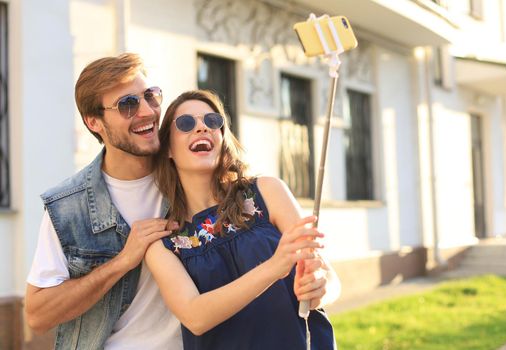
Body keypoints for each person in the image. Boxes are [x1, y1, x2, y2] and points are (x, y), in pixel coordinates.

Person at [146, 89, 340, 349]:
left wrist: (320, 288)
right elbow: (195, 317)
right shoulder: (164, 244)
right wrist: (274, 267)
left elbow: (329, 277)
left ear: (222, 136)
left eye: (212, 121)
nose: (202, 127)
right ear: (168, 148)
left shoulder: (268, 191)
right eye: (186, 123)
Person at [24, 53, 182, 349]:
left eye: (150, 96)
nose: (148, 112)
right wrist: (122, 262)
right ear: (94, 121)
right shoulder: (69, 207)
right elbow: (37, 315)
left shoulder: (188, 181)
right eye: (128, 105)